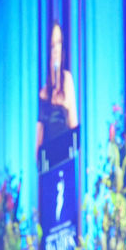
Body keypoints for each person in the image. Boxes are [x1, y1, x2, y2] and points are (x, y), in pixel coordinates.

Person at [36, 21, 79, 154]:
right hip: (48, 160)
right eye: (53, 45)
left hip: (65, 158)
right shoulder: (43, 93)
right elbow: (38, 140)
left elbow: (73, 125)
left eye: (59, 43)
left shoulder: (67, 80)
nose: (56, 50)